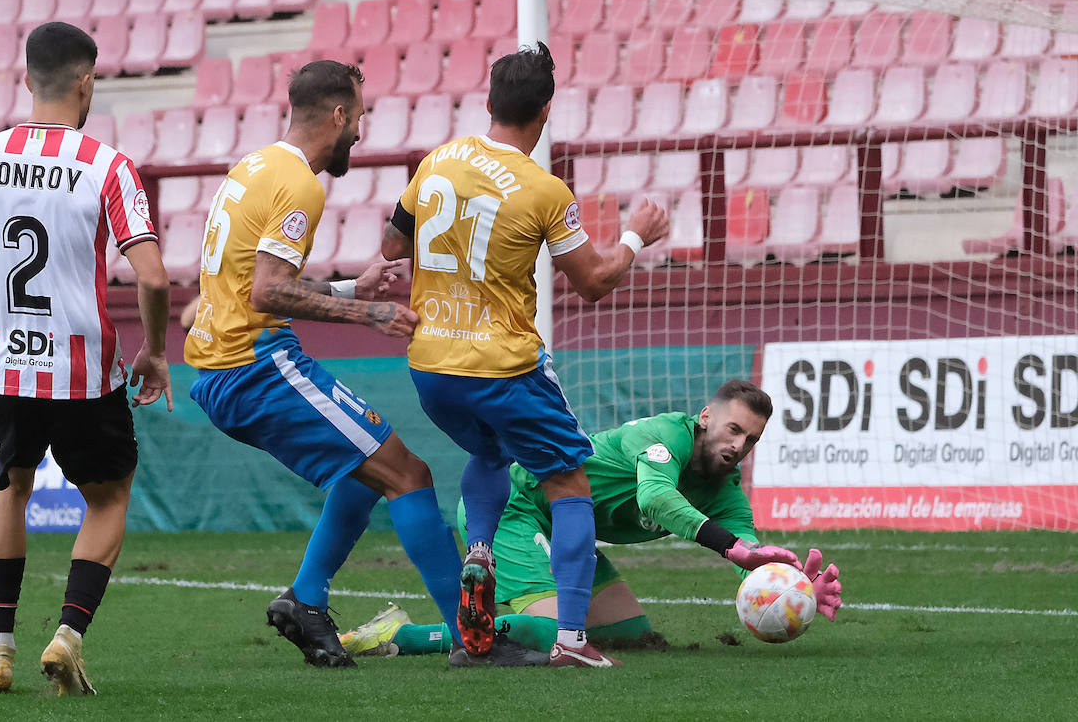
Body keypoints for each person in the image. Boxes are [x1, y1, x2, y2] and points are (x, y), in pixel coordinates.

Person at [184, 60, 542, 668]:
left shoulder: (254, 167)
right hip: (257, 366)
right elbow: (267, 293)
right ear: (339, 114)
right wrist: (367, 316)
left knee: (366, 467)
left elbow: (243, 283)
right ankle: (472, 638)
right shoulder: (299, 185)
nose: (362, 132)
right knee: (408, 473)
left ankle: (305, 599)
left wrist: (353, 288)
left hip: (225, 367)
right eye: (361, 116)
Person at [380, 42, 669, 667]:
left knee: (489, 451)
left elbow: (390, 243)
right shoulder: (544, 189)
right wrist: (634, 236)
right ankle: (571, 641)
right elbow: (592, 281)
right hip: (504, 367)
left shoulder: (437, 163)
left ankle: (478, 552)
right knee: (569, 483)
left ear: (488, 103)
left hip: (430, 365)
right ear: (544, 112)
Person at [0, 21, 173, 697]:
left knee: (10, 484)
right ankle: (67, 636)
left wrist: (2, 321)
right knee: (109, 496)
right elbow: (152, 278)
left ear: (25, 79)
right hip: (82, 369)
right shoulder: (107, 166)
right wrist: (154, 352)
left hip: (4, 366)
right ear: (86, 81)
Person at [338, 380, 843, 657]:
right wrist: (731, 548)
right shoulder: (667, 435)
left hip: (566, 530)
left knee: (634, 636)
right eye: (734, 429)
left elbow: (746, 547)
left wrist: (791, 587)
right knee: (558, 632)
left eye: (751, 439)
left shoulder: (724, 488)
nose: (739, 445)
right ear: (706, 418)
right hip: (518, 507)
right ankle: (399, 636)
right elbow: (656, 500)